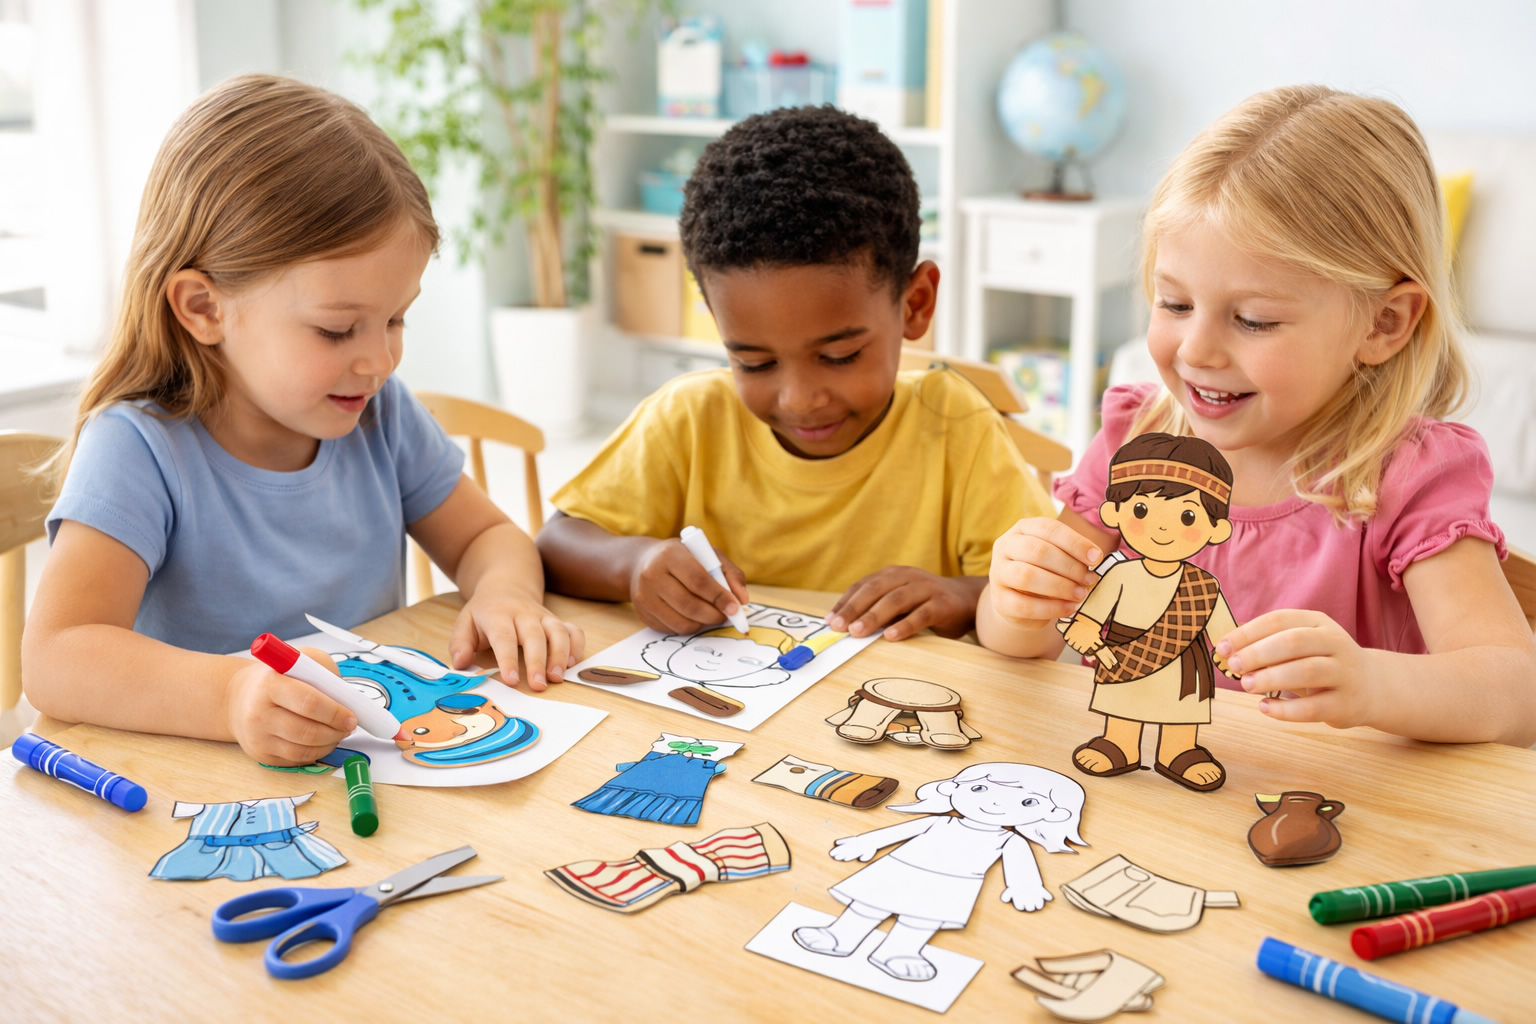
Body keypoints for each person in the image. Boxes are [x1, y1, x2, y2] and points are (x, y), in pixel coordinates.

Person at [23, 75, 582, 767]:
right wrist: (232, 697)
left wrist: (506, 594)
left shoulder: (381, 414)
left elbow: (487, 537)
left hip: (362, 778)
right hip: (197, 791)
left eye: (396, 318)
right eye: (337, 329)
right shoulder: (138, 447)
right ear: (204, 308)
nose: (378, 360)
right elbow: (57, 656)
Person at [978, 85, 1536, 752]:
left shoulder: (1409, 477)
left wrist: (1373, 685)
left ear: (1384, 323)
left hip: (1332, 815)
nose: (1196, 351)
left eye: (1253, 320)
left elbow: (1514, 694)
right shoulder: (1140, 438)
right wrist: (1014, 599)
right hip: (1153, 785)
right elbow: (1024, 647)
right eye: (1174, 304)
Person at [538, 105, 1051, 641]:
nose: (800, 399)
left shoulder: (956, 426)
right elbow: (556, 545)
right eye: (754, 362)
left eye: (839, 356)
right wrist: (634, 563)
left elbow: (1041, 597)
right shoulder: (688, 419)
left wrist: (960, 596)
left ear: (915, 304)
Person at [1058, 433, 1240, 791]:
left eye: (1187, 516)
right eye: (1142, 510)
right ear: (1115, 513)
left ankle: (1179, 752)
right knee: (1123, 704)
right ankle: (1120, 744)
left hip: (1185, 665)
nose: (1161, 527)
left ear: (1216, 529)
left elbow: (1226, 638)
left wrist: (1234, 659)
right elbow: (1091, 617)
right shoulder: (1120, 574)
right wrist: (1084, 629)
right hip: (1122, 655)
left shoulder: (1204, 587)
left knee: (1180, 712)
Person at [793, 762, 1086, 981]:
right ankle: (839, 937)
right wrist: (864, 842)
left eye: (1028, 802)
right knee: (868, 905)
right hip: (902, 869)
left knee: (921, 921)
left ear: (1054, 814)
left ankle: (897, 951)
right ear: (953, 787)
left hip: (953, 885)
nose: (995, 803)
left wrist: (1025, 887)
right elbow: (899, 832)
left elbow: (1020, 866)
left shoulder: (1010, 840)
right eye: (980, 789)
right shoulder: (939, 821)